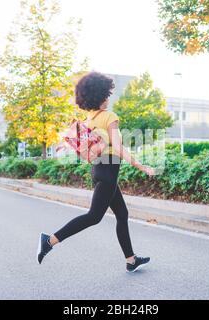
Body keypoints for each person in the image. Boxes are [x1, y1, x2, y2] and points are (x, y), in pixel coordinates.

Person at [37, 72, 156, 272]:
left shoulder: (88, 119)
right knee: (94, 216)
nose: (109, 98)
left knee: (122, 214)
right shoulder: (110, 117)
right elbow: (118, 148)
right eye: (107, 94)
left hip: (98, 171)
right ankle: (49, 241)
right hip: (108, 172)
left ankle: (131, 259)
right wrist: (141, 166)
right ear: (101, 95)